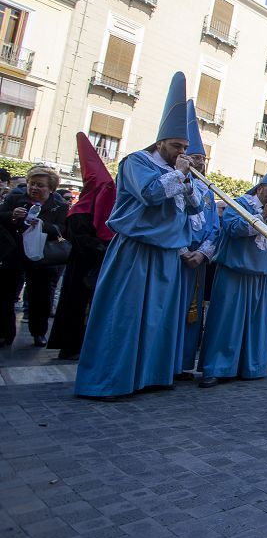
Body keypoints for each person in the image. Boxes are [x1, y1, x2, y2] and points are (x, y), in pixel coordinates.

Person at [75, 72, 200, 398]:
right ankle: (111, 379)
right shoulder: (137, 162)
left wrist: (188, 184)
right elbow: (149, 193)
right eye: (176, 146)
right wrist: (179, 174)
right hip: (136, 250)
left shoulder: (179, 172)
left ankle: (149, 375)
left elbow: (194, 209)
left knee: (158, 319)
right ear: (160, 143)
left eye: (184, 147)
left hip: (166, 253)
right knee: (126, 315)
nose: (181, 152)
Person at [199, 138, 267, 388]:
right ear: (260, 188)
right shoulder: (239, 204)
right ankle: (216, 367)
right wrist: (262, 215)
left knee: (255, 325)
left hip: (260, 276)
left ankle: (249, 366)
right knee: (225, 322)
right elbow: (232, 229)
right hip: (234, 272)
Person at [47, 133, 115, 359]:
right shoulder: (79, 211)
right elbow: (82, 240)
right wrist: (102, 247)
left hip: (96, 264)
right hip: (81, 265)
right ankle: (70, 345)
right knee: (75, 303)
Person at [0, 165, 68, 347]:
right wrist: (12, 216)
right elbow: (1, 217)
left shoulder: (59, 206)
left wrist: (42, 225)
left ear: (51, 188)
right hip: (14, 253)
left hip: (42, 256)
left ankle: (38, 332)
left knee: (41, 297)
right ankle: (5, 334)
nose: (35, 188)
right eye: (32, 184)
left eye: (40, 185)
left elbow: (61, 230)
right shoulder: (15, 198)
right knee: (6, 295)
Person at [176, 103, 219, 379]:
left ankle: (182, 365)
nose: (199, 162)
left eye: (202, 158)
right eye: (194, 156)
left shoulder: (209, 193)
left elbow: (215, 228)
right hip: (176, 256)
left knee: (194, 313)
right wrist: (182, 250)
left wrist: (202, 254)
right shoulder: (173, 181)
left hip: (198, 260)